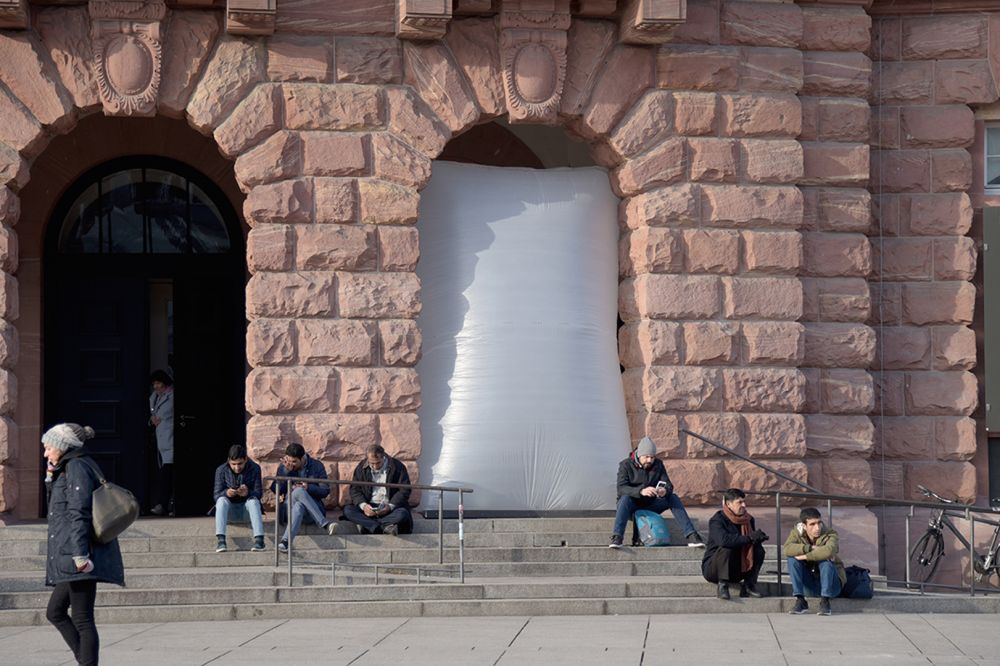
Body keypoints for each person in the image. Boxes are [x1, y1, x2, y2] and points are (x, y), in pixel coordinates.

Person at [43, 423, 125, 666]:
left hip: (77, 554)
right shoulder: (68, 467)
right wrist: (50, 477)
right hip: (70, 552)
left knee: (82, 618)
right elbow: (58, 508)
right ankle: (85, 661)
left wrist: (80, 555)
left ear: (63, 446)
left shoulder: (77, 466)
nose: (45, 453)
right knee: (55, 612)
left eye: (48, 447)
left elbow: (79, 512)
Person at [610, 436, 705, 548]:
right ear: (639, 455)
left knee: (673, 497)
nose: (650, 460)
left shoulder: (658, 464)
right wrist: (641, 491)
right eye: (646, 457)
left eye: (652, 457)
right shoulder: (625, 465)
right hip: (631, 507)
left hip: (651, 505)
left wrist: (664, 491)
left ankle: (692, 535)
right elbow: (621, 488)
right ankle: (617, 537)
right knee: (625, 498)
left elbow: (668, 485)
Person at [702, 487, 768, 600]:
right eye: (739, 502)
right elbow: (723, 540)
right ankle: (722, 585)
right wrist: (750, 538)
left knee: (758, 550)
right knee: (727, 547)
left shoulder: (748, 519)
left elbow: (749, 541)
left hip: (737, 567)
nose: (744, 505)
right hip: (714, 569)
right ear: (728, 504)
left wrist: (758, 538)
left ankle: (749, 585)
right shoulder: (717, 520)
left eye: (744, 502)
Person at [335, 444, 413, 536]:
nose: (375, 466)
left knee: (402, 513)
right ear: (367, 459)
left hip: (389, 507)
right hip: (368, 507)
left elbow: (404, 490)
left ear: (383, 457)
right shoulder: (361, 467)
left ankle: (370, 526)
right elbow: (355, 490)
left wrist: (390, 506)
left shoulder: (397, 466)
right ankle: (384, 527)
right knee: (348, 510)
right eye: (372, 463)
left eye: (378, 463)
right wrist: (364, 506)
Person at [270, 442, 333, 552]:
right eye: (289, 461)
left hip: (310, 511)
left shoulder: (317, 466)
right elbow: (275, 489)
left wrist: (308, 487)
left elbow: (325, 491)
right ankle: (324, 524)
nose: (291, 464)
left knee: (299, 505)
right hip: (288, 509)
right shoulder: (284, 467)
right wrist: (286, 472)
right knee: (298, 491)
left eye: (294, 461)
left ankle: (285, 542)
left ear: (303, 458)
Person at [783, 506, 846, 616]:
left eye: (819, 523)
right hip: (810, 585)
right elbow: (787, 549)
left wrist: (806, 556)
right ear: (804, 526)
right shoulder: (797, 533)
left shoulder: (830, 534)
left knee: (826, 561)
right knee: (792, 559)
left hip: (832, 586)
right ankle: (800, 600)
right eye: (812, 524)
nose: (817, 528)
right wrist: (810, 548)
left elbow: (829, 551)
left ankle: (825, 601)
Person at [212, 444, 265, 553]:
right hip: (229, 512)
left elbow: (259, 494)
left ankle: (259, 540)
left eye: (240, 463)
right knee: (221, 500)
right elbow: (216, 495)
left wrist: (247, 493)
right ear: (229, 461)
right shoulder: (221, 470)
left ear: (245, 459)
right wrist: (227, 493)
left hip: (247, 511)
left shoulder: (255, 468)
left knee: (253, 501)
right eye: (233, 464)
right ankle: (221, 541)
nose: (237, 467)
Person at [148, 369, 174, 516]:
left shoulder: (172, 396)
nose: (156, 387)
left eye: (158, 383)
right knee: (163, 474)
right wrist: (152, 419)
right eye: (154, 384)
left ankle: (164, 504)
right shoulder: (155, 397)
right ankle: (163, 504)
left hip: (170, 440)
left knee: (167, 474)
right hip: (161, 441)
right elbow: (154, 413)